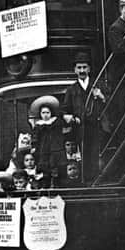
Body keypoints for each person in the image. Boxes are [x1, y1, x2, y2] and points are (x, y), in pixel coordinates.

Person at [61, 52, 106, 181]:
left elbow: (110, 103)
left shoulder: (98, 85)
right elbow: (64, 110)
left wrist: (101, 96)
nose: (82, 70)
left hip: (97, 127)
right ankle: (87, 181)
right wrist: (68, 117)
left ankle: (98, 181)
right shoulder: (71, 90)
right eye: (79, 67)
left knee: (97, 155)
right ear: (75, 70)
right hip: (81, 129)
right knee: (85, 156)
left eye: (84, 67)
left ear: (89, 69)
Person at [31, 97, 64, 173]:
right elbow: (35, 137)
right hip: (43, 146)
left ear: (51, 113)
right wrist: (34, 146)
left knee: (56, 164)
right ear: (40, 114)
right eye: (43, 113)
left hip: (55, 145)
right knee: (45, 164)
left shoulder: (56, 122)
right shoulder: (38, 125)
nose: (45, 115)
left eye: (47, 113)